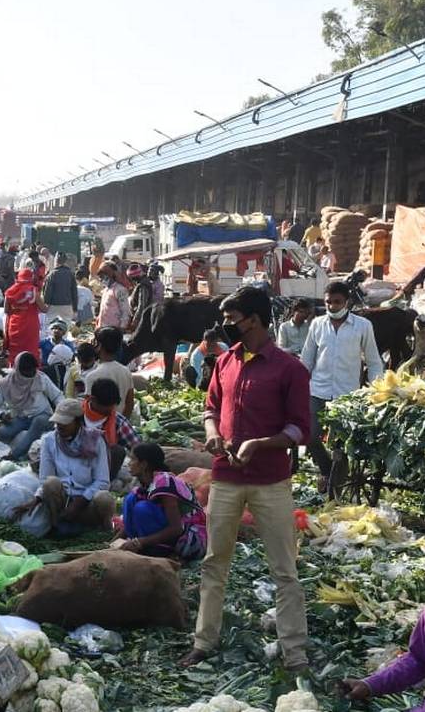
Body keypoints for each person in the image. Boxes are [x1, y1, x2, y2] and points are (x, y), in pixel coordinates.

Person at [180, 287, 310, 672]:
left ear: (254, 319)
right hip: (225, 477)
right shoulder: (225, 362)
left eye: (232, 319)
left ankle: (294, 651)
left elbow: (300, 429)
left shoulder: (289, 368)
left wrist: (260, 444)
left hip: (270, 480)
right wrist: (211, 432)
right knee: (213, 563)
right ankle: (204, 641)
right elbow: (211, 408)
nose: (225, 326)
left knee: (284, 569)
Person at [301, 281, 383, 493]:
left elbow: (374, 362)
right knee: (309, 436)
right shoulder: (317, 324)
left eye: (337, 302)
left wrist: (376, 391)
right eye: (328, 302)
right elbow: (307, 359)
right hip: (317, 390)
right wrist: (298, 385)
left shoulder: (363, 326)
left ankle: (335, 486)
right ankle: (327, 470)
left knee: (341, 447)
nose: (332, 306)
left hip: (347, 395)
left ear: (347, 302)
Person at [14, 398, 114, 537]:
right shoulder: (49, 441)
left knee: (104, 498)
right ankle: (58, 525)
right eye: (57, 422)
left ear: (79, 422)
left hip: (87, 503)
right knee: (51, 483)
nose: (60, 426)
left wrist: (81, 501)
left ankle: (102, 532)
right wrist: (37, 499)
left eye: (65, 423)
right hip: (63, 503)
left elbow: (103, 481)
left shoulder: (95, 441)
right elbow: (45, 478)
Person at [114, 443, 207, 561]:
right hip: (161, 537)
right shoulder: (144, 484)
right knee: (130, 499)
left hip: (190, 540)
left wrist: (139, 542)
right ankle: (145, 547)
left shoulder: (165, 482)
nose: (129, 463)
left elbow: (176, 528)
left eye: (133, 459)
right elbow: (129, 524)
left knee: (142, 508)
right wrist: (111, 545)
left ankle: (160, 551)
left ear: (143, 464)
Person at [0, 352, 62, 461]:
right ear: (18, 370)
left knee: (38, 422)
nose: (31, 374)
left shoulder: (40, 378)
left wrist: (60, 414)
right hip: (21, 418)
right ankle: (27, 442)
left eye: (33, 371)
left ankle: (15, 455)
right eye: (27, 372)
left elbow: (57, 396)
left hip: (42, 415)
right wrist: (1, 414)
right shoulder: (6, 383)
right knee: (2, 433)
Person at [82, 377, 141, 480]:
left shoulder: (118, 421)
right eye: (105, 408)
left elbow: (137, 446)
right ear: (92, 400)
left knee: (117, 451)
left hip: (103, 471)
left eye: (112, 407)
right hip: (74, 463)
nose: (110, 411)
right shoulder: (76, 414)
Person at [85, 327, 134, 415]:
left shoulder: (92, 376)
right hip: (119, 424)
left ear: (99, 345)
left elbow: (89, 409)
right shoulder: (126, 372)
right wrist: (121, 423)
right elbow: (130, 403)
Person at [3, 267, 42, 364]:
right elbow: (44, 309)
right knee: (30, 349)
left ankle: (14, 369)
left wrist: (17, 309)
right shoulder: (34, 291)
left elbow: (6, 310)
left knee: (15, 350)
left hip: (15, 324)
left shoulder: (10, 291)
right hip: (30, 325)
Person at [42, 252, 79, 322]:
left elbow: (47, 292)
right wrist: (75, 309)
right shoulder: (70, 274)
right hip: (67, 305)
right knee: (66, 326)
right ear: (65, 261)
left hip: (53, 305)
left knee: (51, 327)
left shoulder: (52, 274)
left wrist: (46, 304)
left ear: (56, 261)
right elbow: (74, 292)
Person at [96, 263, 132, 330]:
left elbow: (125, 311)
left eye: (102, 277)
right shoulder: (106, 290)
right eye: (100, 277)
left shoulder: (120, 290)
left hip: (114, 329)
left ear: (110, 276)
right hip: (103, 327)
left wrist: (122, 327)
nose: (101, 280)